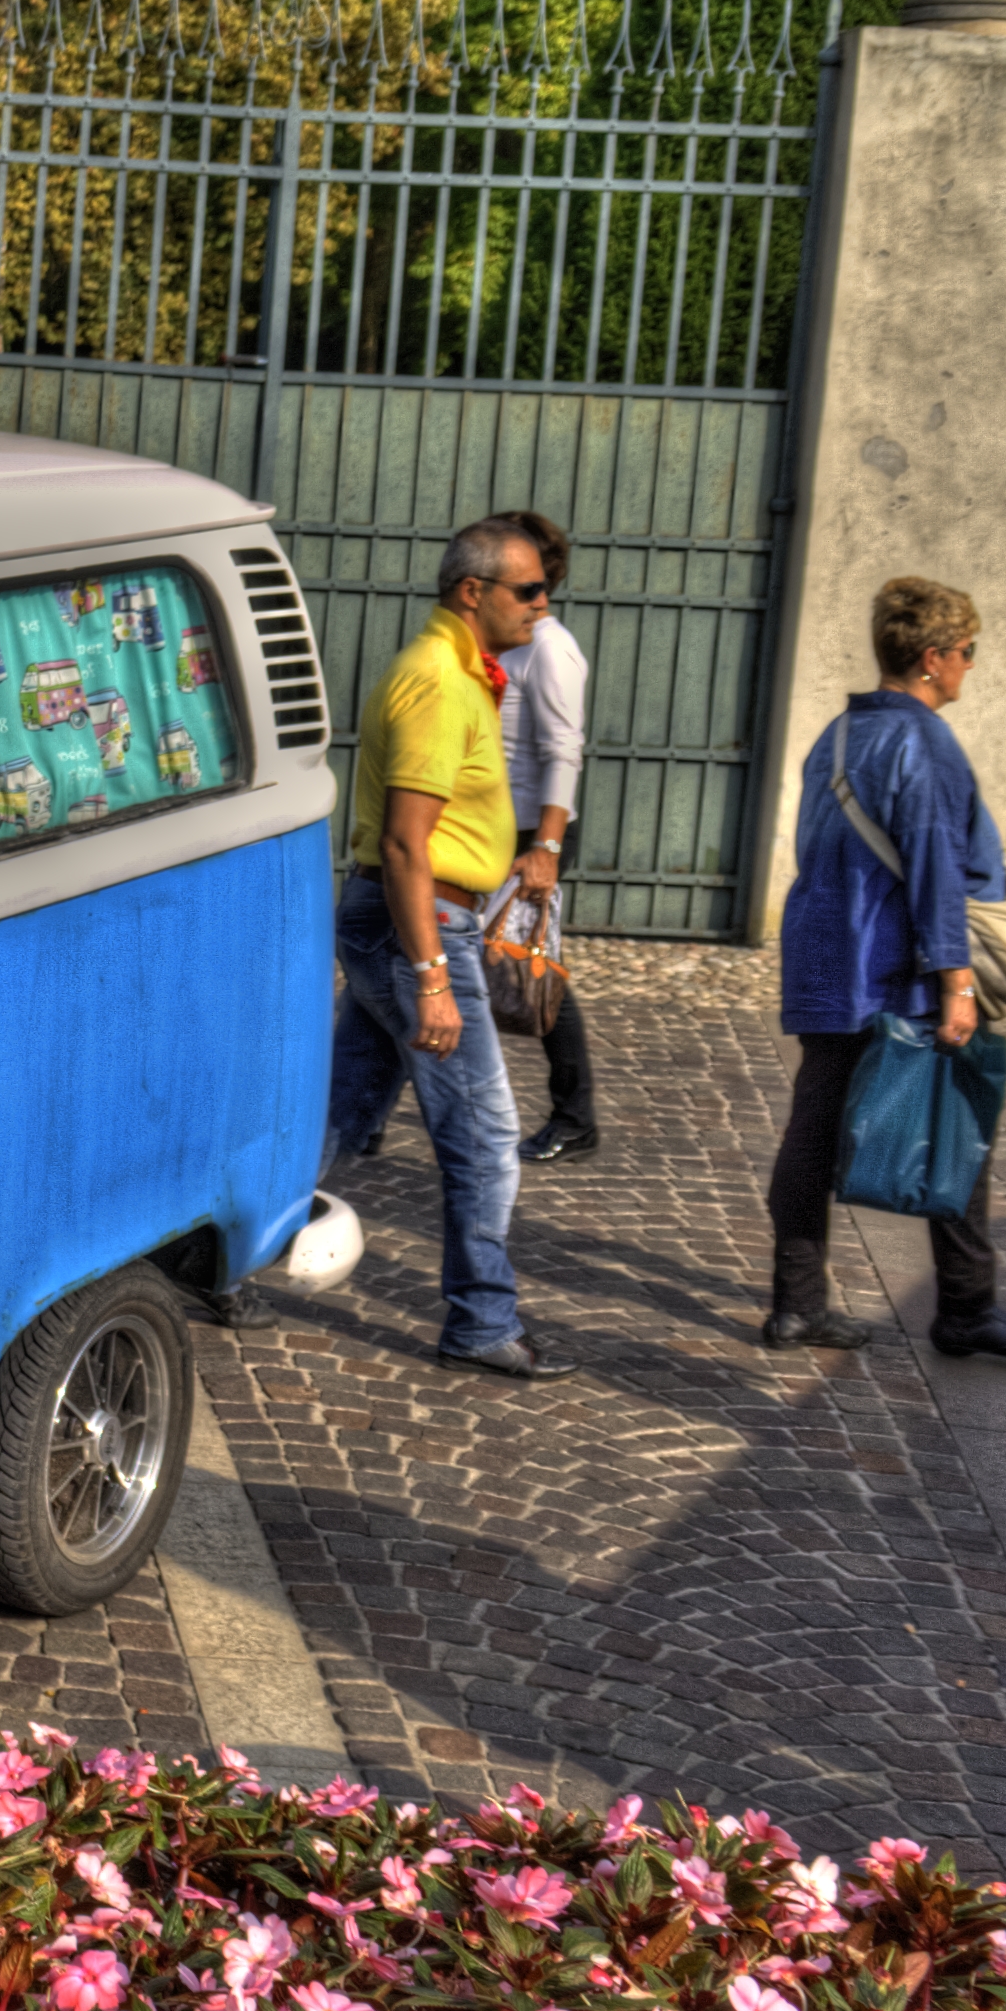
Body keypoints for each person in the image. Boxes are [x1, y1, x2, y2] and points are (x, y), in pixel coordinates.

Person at [762, 578, 1006, 1359]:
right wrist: (955, 981)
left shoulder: (837, 734)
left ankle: (796, 1304)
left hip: (829, 960)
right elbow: (934, 870)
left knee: (811, 1133)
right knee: (957, 1125)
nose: (970, 665)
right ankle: (966, 1309)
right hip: (895, 967)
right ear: (932, 659)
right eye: (967, 652)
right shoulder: (925, 744)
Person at [325, 521, 575, 1379]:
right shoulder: (438, 680)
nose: (545, 604)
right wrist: (432, 975)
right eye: (529, 590)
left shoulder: (460, 674)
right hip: (422, 919)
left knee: (340, 1110)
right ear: (473, 592)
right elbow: (404, 845)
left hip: (407, 915)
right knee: (486, 1134)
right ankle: (480, 1321)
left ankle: (216, 1262)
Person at [490, 511, 597, 1162]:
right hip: (488, 827)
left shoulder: (549, 647)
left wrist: (546, 850)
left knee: (533, 974)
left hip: (531, 832)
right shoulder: (500, 639)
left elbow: (564, 751)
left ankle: (576, 1116)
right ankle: (370, 1107)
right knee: (434, 956)